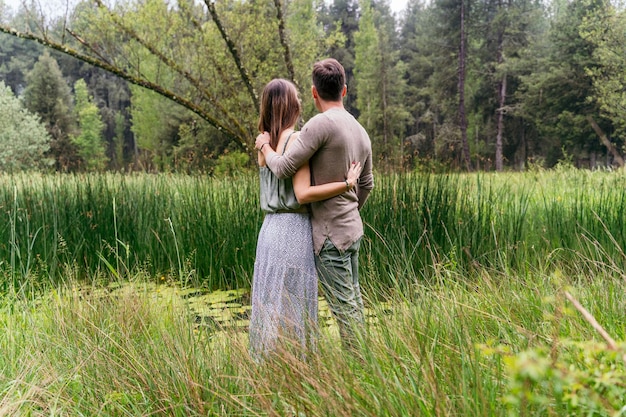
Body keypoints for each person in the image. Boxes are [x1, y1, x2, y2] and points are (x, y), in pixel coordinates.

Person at [255, 59, 374, 350]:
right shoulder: (360, 130)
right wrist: (348, 207)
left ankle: (362, 370)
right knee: (353, 301)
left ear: (314, 92)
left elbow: (283, 168)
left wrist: (264, 146)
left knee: (345, 310)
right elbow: (367, 184)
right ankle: (366, 366)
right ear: (344, 90)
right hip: (352, 229)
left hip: (329, 235)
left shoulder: (317, 126)